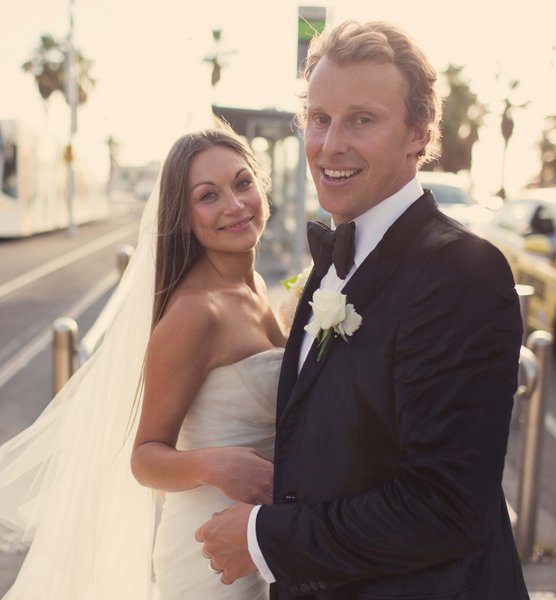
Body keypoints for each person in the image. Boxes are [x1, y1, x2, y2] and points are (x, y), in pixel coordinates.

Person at [195, 20, 529, 600]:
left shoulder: (463, 273)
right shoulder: (331, 264)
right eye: (320, 119)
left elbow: (443, 509)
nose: (330, 144)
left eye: (362, 119)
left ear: (418, 135)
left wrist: (262, 538)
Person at [0, 121, 285, 600]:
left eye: (242, 183)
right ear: (186, 216)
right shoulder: (196, 312)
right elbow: (145, 457)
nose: (235, 205)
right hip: (208, 553)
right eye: (208, 196)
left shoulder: (253, 288)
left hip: (261, 531)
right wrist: (215, 466)